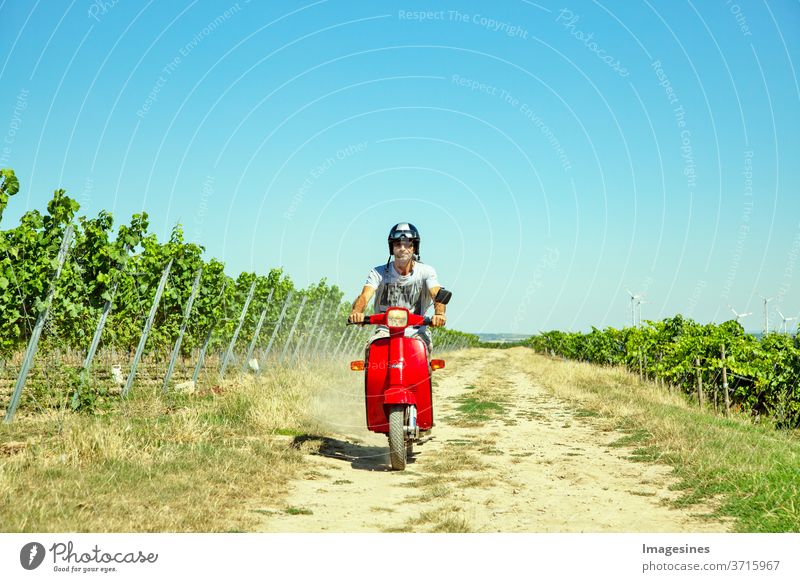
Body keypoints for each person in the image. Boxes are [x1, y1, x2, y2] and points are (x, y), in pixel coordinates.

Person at [348, 222, 447, 358]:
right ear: (392, 248)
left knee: (422, 357)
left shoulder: (426, 271)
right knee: (372, 354)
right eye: (397, 244)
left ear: (414, 248)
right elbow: (365, 296)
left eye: (407, 244)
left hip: (417, 332)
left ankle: (424, 378)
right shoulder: (378, 272)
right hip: (385, 332)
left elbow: (436, 293)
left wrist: (439, 314)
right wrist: (357, 312)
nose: (402, 248)